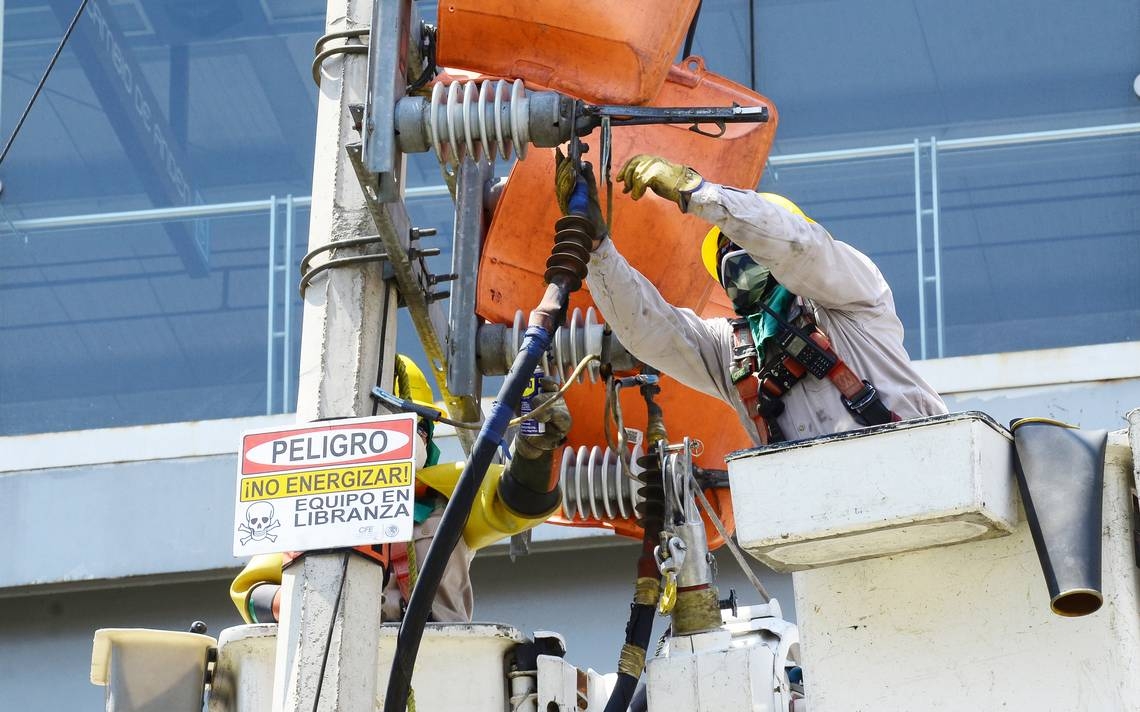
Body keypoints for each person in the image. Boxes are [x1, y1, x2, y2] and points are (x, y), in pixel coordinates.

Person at [555, 153, 946, 446]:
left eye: (745, 244)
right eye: (727, 257)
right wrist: (595, 249)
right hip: (830, 528)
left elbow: (798, 247)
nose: (739, 263)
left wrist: (699, 194)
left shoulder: (850, 297)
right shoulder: (738, 353)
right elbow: (649, 329)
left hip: (923, 470)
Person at [230, 355, 570, 624]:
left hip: (438, 660)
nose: (409, 441)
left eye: (417, 429)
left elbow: (518, 501)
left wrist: (535, 452)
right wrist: (315, 609)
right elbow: (250, 593)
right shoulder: (313, 512)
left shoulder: (445, 499)